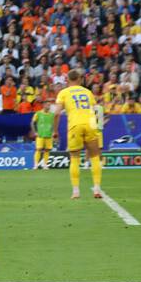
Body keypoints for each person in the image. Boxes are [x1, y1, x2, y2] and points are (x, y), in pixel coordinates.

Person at [53, 71, 105, 201]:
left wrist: (55, 131)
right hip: (91, 124)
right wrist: (99, 128)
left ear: (68, 80)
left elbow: (56, 113)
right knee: (94, 157)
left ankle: (76, 191)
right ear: (79, 79)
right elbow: (98, 109)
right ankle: (97, 189)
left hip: (75, 125)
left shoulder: (63, 93)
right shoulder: (87, 92)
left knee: (75, 158)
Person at [31, 104, 56, 170]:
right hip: (40, 135)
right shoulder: (38, 113)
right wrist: (35, 132)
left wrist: (53, 131)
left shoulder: (52, 115)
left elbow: (54, 124)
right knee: (39, 149)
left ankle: (45, 165)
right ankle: (36, 164)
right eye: (47, 105)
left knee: (47, 150)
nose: (49, 106)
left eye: (49, 105)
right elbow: (32, 123)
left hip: (49, 135)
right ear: (44, 106)